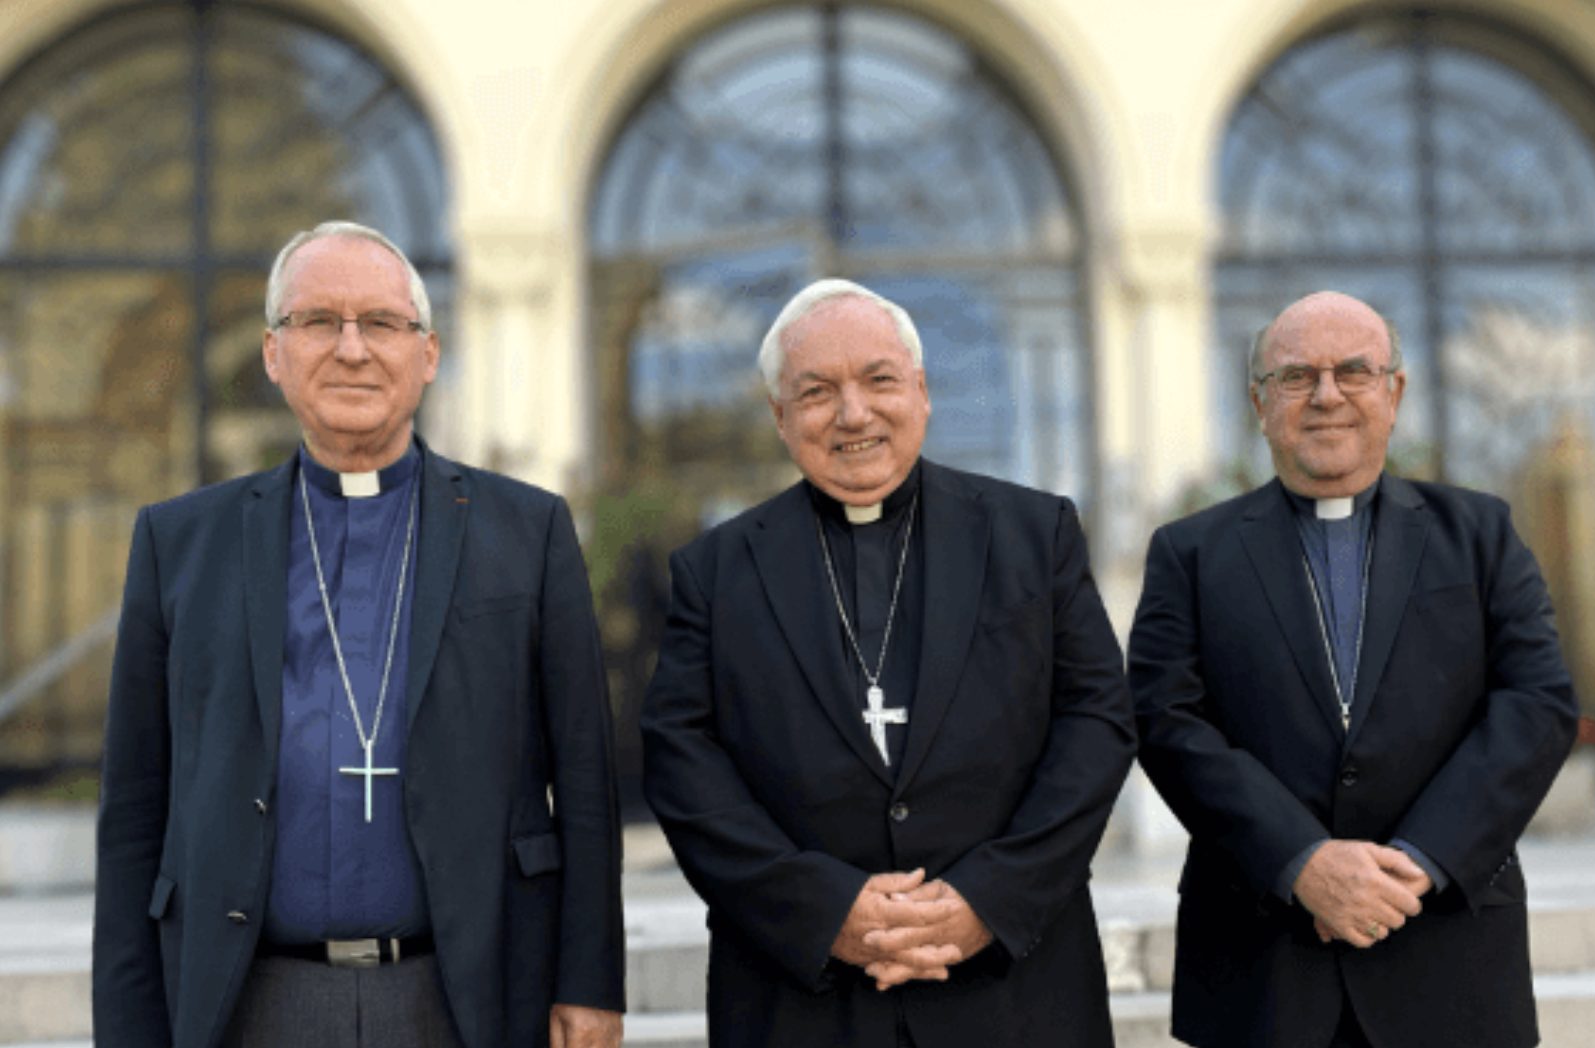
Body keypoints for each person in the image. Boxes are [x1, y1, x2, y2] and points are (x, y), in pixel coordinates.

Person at [93, 221, 625, 1048]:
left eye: (381, 322)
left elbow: (586, 782)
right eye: (318, 321)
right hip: (253, 999)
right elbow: (134, 808)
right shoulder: (181, 543)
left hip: (466, 993)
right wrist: (128, 1028)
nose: (352, 349)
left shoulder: (528, 531)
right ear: (274, 353)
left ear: (428, 353)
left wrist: (590, 983)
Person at [641, 278, 1137, 1048]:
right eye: (817, 392)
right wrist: (823, 909)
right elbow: (681, 761)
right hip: (800, 1001)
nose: (854, 414)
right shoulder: (716, 571)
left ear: (922, 392)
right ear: (779, 417)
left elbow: (1097, 722)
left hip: (1014, 991)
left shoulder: (1032, 535)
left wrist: (988, 899)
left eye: (879, 380)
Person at [1129, 290, 1578, 1048]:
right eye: (1296, 376)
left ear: (1394, 393)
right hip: (1263, 965)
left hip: (1447, 950)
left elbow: (1537, 704)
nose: (1327, 395)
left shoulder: (1481, 534)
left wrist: (1420, 861)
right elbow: (1164, 721)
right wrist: (1299, 861)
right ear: (1259, 403)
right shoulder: (1190, 554)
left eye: (1353, 371)